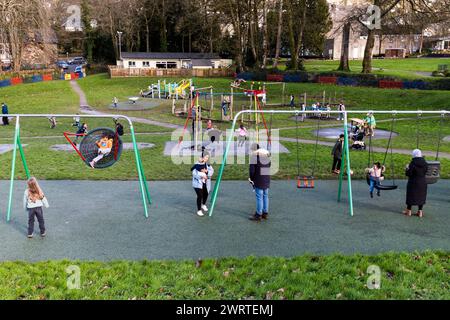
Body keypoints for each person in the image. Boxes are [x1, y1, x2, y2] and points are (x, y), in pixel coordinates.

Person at [249, 146, 271, 222]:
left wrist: (251, 179)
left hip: (258, 179)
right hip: (266, 179)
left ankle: (258, 214)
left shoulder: (254, 158)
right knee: (265, 196)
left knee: (259, 197)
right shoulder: (267, 157)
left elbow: (252, 171)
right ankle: (265, 213)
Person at [404, 149, 428, 217]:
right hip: (422, 182)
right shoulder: (425, 163)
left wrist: (407, 168)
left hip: (413, 182)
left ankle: (409, 211)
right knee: (421, 195)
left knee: (410, 195)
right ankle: (420, 211)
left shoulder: (412, 163)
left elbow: (409, 174)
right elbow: (425, 171)